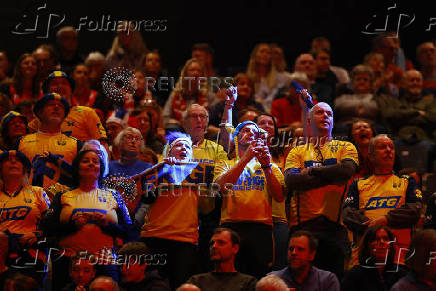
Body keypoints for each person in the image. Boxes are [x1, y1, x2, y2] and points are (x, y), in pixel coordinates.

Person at [284, 102, 359, 279]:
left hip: (336, 227)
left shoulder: (346, 147)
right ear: (308, 122)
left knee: (335, 281)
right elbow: (292, 180)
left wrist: (311, 171)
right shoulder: (297, 151)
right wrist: (332, 174)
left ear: (333, 122)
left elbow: (347, 171)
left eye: (329, 114)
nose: (325, 116)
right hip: (303, 227)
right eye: (319, 113)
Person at [41, 148, 132, 290]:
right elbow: (46, 227)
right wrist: (73, 225)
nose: (91, 164)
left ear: (101, 168)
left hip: (105, 262)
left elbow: (129, 230)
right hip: (68, 263)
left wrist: (106, 225)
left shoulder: (114, 195)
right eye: (85, 161)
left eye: (95, 161)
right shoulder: (63, 195)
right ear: (77, 168)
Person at [139, 132, 214, 289]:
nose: (184, 148)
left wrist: (203, 189)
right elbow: (146, 197)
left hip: (185, 241)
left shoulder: (198, 173)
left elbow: (207, 209)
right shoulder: (157, 169)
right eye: (179, 145)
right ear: (169, 151)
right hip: (154, 237)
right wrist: (165, 169)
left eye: (187, 146)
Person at [214, 120, 285, 278]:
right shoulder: (225, 164)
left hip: (261, 227)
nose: (251, 133)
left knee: (258, 277)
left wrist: (266, 167)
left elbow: (279, 197)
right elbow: (220, 189)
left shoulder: (271, 166)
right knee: (228, 276)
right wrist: (245, 159)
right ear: (236, 138)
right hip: (231, 226)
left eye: (255, 132)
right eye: (246, 130)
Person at [343, 134, 422, 266]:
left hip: (399, 258)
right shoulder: (358, 184)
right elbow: (348, 214)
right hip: (364, 259)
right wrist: (373, 229)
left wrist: (385, 219)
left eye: (391, 147)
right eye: (382, 147)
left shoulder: (407, 181)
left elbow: (414, 210)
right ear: (371, 156)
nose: (388, 150)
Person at [0, 150, 51, 285]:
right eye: (7, 160)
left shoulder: (37, 192)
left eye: (18, 160)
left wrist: (38, 233)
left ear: (25, 170)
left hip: (31, 250)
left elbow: (51, 223)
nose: (12, 162)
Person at [18, 93, 81, 189]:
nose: (56, 107)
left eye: (60, 106)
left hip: (65, 201)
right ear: (39, 112)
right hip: (29, 200)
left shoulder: (76, 144)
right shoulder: (22, 142)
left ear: (64, 115)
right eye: (50, 104)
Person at [28, 70, 107, 143]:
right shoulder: (38, 120)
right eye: (54, 83)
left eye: (64, 83)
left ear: (71, 90)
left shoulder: (87, 113)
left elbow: (102, 143)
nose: (60, 86)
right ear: (46, 92)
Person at [186, 228, 257, 291]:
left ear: (235, 248)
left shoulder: (248, 283)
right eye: (212, 243)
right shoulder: (197, 281)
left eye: (221, 243)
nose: (214, 246)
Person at [341, 226, 408, 291]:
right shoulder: (354, 275)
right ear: (367, 246)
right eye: (376, 239)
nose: (382, 242)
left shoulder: (401, 275)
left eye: (386, 239)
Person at [268, 230, 339, 290]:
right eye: (291, 249)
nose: (294, 253)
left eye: (300, 249)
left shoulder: (327, 280)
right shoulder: (272, 280)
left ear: (311, 255)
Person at [108, 127, 152, 214]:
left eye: (137, 138)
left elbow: (149, 199)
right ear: (120, 142)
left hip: (138, 217)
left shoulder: (148, 168)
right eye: (129, 137)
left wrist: (138, 219)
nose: (133, 141)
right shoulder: (109, 167)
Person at [162, 58, 214, 126]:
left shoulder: (208, 95)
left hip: (203, 131)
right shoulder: (176, 94)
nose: (196, 73)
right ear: (185, 74)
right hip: (180, 131)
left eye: (199, 71)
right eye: (192, 70)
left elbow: (217, 115)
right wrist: (177, 123)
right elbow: (165, 117)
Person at [246, 43, 290, 112]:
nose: (265, 54)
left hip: (273, 112)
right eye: (262, 51)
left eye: (268, 53)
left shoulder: (281, 78)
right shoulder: (248, 78)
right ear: (255, 55)